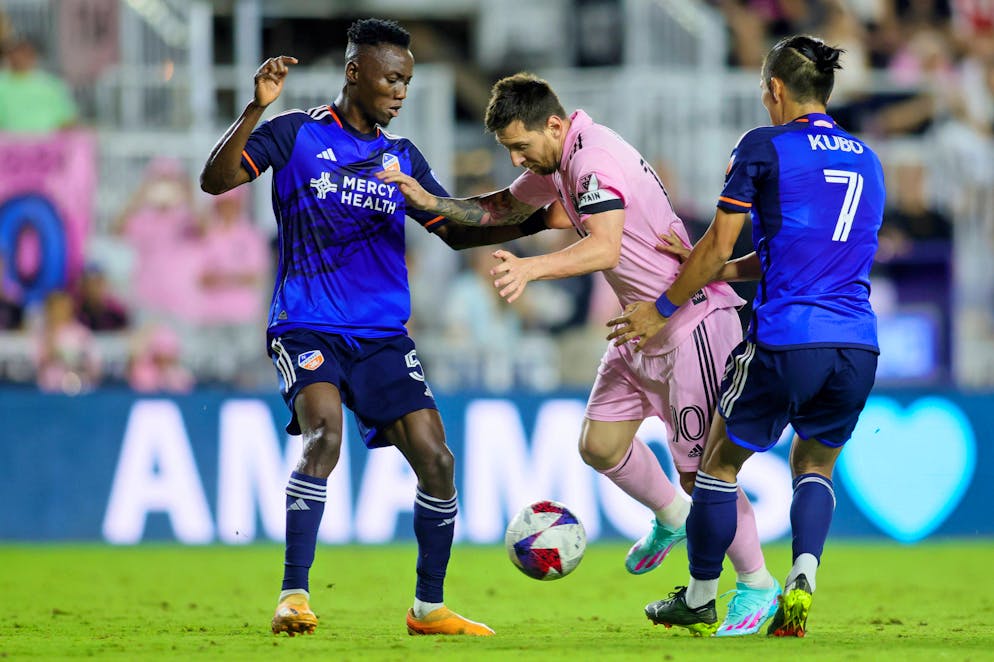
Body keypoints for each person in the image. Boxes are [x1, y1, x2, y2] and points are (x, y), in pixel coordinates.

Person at [378, 73, 781, 636]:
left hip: (689, 325)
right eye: (509, 151)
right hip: (638, 327)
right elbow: (501, 210)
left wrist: (531, 268)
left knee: (706, 476)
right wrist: (428, 203)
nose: (519, 159)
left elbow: (605, 245)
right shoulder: (561, 161)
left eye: (522, 145)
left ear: (554, 123)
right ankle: (671, 517)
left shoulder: (592, 160)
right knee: (600, 443)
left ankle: (758, 584)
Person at [200, 18, 551, 638]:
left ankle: (428, 609)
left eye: (408, 81)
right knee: (324, 439)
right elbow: (216, 180)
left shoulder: (402, 158)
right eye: (391, 77)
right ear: (354, 73)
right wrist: (255, 109)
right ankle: (293, 595)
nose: (401, 91)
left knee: (438, 461)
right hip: (306, 325)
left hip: (382, 337)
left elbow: (456, 229)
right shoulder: (296, 134)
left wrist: (543, 219)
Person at [610, 35, 884, 637]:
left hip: (787, 338)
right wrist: (720, 268)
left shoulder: (764, 146)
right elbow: (790, 252)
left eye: (766, 93)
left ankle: (701, 596)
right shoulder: (867, 157)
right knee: (814, 464)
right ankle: (804, 572)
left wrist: (663, 304)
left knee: (716, 465)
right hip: (858, 344)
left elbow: (716, 244)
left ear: (776, 90)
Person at [0, 37, 77, 133]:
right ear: (8, 57)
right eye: (16, 54)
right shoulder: (2, 85)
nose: (19, 58)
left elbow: (67, 120)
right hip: (7, 143)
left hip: (48, 142)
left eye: (25, 54)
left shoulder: (51, 85)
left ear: (33, 57)